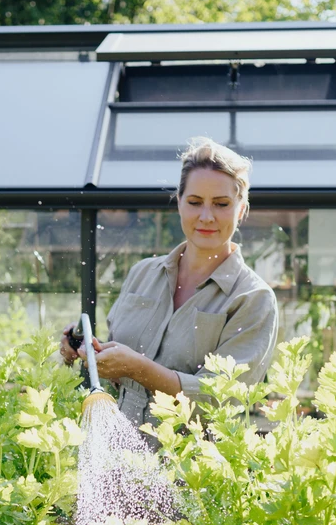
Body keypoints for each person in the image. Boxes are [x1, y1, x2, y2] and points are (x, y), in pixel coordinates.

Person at [61, 137, 279, 428]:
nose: (206, 216)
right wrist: (88, 351)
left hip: (190, 468)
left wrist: (139, 368)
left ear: (240, 209)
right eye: (194, 202)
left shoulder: (253, 299)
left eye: (221, 204)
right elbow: (118, 380)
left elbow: (220, 400)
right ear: (179, 202)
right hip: (117, 457)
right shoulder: (142, 274)